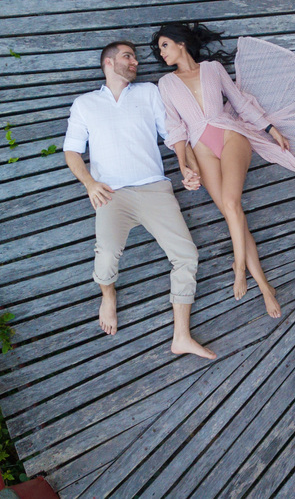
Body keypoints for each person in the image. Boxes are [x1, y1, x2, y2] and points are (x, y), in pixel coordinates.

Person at [152, 23, 295, 319]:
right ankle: (266, 286)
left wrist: (271, 129)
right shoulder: (166, 83)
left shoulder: (213, 68)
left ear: (180, 43)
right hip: (200, 147)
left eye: (165, 45)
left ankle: (239, 267)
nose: (161, 53)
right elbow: (175, 127)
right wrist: (184, 166)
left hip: (230, 135)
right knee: (233, 213)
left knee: (230, 204)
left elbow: (239, 102)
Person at [63, 40, 216, 360]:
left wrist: (185, 166)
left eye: (134, 57)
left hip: (154, 189)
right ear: (108, 63)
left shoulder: (148, 92)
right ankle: (108, 295)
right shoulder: (85, 104)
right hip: (111, 194)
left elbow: (173, 134)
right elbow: (72, 151)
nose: (135, 62)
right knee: (105, 257)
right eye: (127, 57)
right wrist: (90, 184)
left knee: (187, 256)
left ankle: (182, 336)